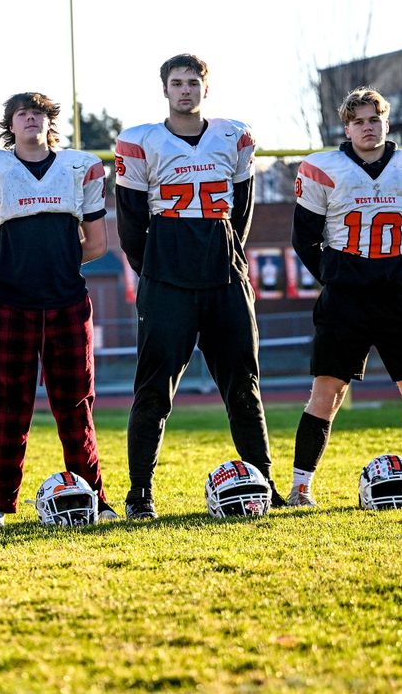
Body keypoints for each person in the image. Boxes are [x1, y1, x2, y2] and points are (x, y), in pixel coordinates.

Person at [115, 54, 283, 519]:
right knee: (153, 389)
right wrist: (154, 269)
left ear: (205, 89)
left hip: (224, 275)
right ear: (164, 89)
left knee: (244, 385)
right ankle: (140, 494)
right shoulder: (140, 141)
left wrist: (227, 255)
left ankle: (263, 483)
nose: (184, 90)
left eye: (192, 83)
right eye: (176, 83)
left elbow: (242, 209)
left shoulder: (233, 136)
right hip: (167, 279)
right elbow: (131, 221)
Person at [289, 87, 402, 506]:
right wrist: (336, 276)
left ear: (386, 122)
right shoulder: (323, 168)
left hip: (397, 296)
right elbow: (304, 239)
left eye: (374, 119)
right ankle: (301, 487)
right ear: (347, 127)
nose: (367, 128)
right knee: (327, 392)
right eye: (359, 121)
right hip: (346, 300)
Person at [0, 91, 116, 528]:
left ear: (49, 121)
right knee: (7, 404)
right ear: (11, 124)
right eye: (22, 114)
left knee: (76, 405)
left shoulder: (78, 168)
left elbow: (97, 244)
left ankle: (92, 499)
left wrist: (53, 263)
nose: (30, 120)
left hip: (66, 301)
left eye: (38, 113)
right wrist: (8, 266)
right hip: (9, 302)